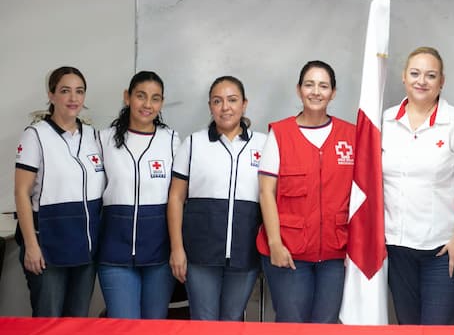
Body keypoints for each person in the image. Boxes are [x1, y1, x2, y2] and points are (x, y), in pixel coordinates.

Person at [382, 47, 454, 325]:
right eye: (415, 73)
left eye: (430, 75)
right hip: (397, 246)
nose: (421, 81)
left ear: (442, 81)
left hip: (445, 247)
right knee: (408, 331)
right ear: (403, 77)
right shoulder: (386, 121)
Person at [256, 61, 355, 323]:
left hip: (335, 253)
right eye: (309, 84)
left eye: (323, 86)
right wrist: (275, 244)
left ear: (333, 93)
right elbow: (266, 192)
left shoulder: (351, 135)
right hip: (289, 252)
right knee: (292, 326)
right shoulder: (280, 133)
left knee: (326, 328)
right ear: (299, 90)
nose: (316, 91)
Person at [167, 76, 266, 321]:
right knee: (203, 322)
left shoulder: (264, 145)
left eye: (232, 100)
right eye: (217, 101)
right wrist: (177, 249)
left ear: (244, 104)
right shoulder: (193, 143)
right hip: (200, 255)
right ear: (210, 106)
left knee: (232, 322)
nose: (225, 107)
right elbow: (176, 198)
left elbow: (271, 198)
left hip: (245, 254)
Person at [14, 66, 104, 317]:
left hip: (85, 248)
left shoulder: (93, 135)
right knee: (48, 322)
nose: (73, 98)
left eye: (79, 91)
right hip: (48, 247)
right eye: (65, 91)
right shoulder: (36, 135)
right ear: (51, 95)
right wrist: (32, 245)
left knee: (77, 322)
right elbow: (21, 192)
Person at [97, 71, 179, 319]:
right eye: (141, 96)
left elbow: (179, 198)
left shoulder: (172, 140)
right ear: (127, 97)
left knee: (153, 331)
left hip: (159, 255)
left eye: (155, 98)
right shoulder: (103, 140)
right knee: (124, 330)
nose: (147, 104)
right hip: (115, 254)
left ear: (162, 103)